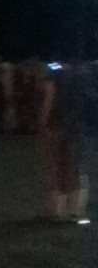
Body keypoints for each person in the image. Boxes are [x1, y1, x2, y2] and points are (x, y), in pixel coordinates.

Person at [39, 62, 89, 221]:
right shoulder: (83, 72)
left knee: (55, 166)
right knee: (75, 167)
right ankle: (76, 209)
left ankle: (57, 209)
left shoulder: (54, 71)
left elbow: (49, 97)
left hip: (57, 123)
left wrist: (42, 121)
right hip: (77, 124)